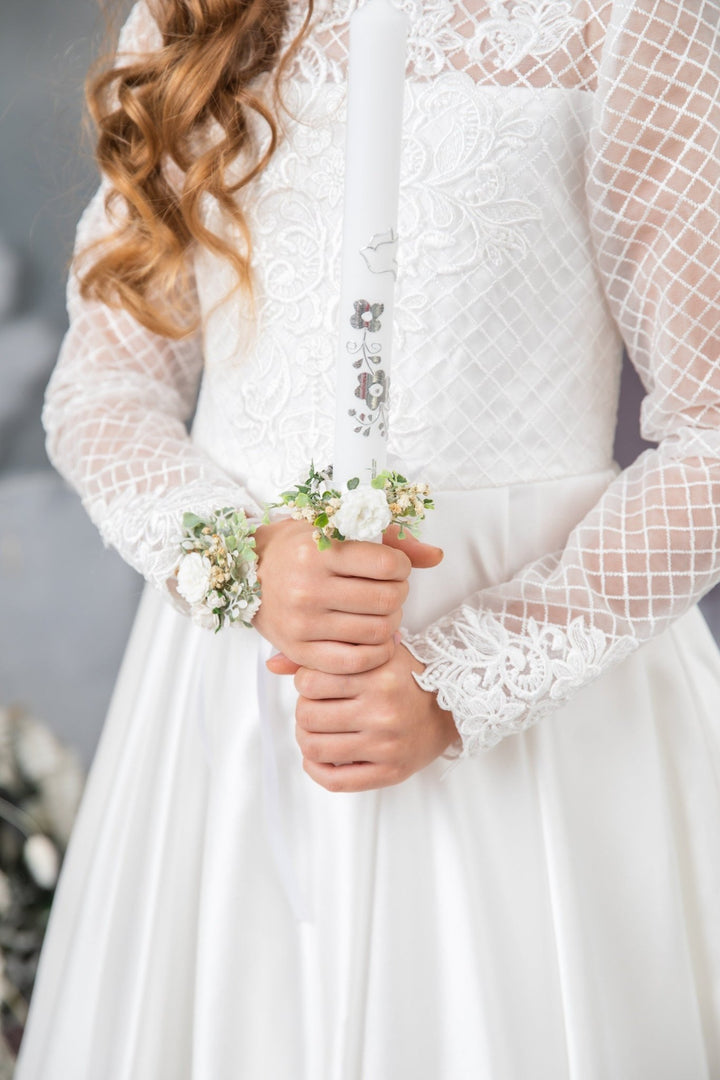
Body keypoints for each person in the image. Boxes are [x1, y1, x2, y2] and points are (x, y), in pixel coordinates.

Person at [15, 0, 720, 1076]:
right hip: (244, 696)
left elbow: (712, 437)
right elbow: (104, 387)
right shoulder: (191, 16)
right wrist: (245, 559)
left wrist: (464, 681)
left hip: (545, 712)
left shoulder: (628, 15)